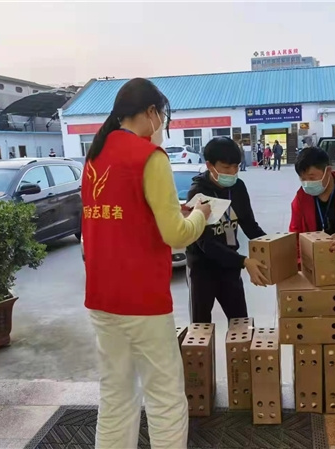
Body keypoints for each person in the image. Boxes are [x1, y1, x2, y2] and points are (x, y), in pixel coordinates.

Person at [82, 78, 210, 449]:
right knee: (165, 397)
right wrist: (199, 214)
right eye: (162, 117)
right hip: (143, 301)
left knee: (116, 396)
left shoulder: (95, 156)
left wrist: (173, 211)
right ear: (152, 113)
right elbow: (176, 235)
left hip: (102, 298)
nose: (162, 127)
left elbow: (124, 218)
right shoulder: (149, 157)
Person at [186, 137, 268, 324]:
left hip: (230, 267)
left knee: (240, 324)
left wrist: (274, 246)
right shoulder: (198, 193)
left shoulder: (238, 187)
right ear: (209, 165)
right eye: (226, 167)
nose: (232, 172)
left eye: (236, 167)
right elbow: (205, 243)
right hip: (202, 269)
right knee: (201, 328)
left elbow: (249, 225)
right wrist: (244, 261)